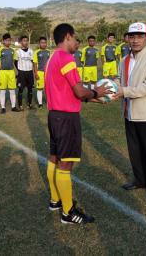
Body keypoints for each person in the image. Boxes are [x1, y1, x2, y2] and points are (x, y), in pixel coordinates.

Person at [45, 23, 110, 224]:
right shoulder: (66, 58)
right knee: (66, 165)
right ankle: (68, 213)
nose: (76, 43)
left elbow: (70, 91)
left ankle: (55, 200)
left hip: (54, 116)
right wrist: (97, 93)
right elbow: (80, 91)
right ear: (67, 37)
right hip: (66, 119)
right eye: (75, 39)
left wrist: (95, 98)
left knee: (54, 159)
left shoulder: (51, 58)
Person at [114, 22, 146, 201]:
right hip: (129, 112)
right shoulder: (124, 60)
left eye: (139, 36)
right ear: (128, 38)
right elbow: (119, 78)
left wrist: (124, 91)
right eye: (132, 36)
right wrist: (113, 88)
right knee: (134, 150)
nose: (135, 40)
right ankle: (140, 180)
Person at [0, 33, 20, 113]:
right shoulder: (0, 50)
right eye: (6, 40)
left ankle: (13, 107)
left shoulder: (13, 50)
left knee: (12, 90)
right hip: (3, 72)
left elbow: (15, 61)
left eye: (9, 40)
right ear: (3, 41)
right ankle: (3, 107)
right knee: (3, 90)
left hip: (11, 72)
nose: (8, 42)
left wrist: (18, 71)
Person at [16, 35, 34, 110]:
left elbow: (33, 61)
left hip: (29, 72)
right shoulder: (17, 52)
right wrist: (19, 71)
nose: (26, 42)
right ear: (21, 42)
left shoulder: (31, 51)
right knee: (21, 89)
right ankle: (20, 105)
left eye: (27, 41)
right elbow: (15, 62)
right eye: (24, 41)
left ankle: (29, 104)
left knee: (30, 89)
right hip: (22, 73)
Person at [33, 37, 51, 108]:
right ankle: (40, 104)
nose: (43, 44)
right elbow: (34, 64)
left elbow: (51, 63)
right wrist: (36, 73)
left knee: (48, 89)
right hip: (40, 72)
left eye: (45, 43)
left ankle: (49, 103)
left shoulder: (49, 52)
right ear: (39, 43)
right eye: (42, 43)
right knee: (40, 88)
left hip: (48, 73)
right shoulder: (36, 52)